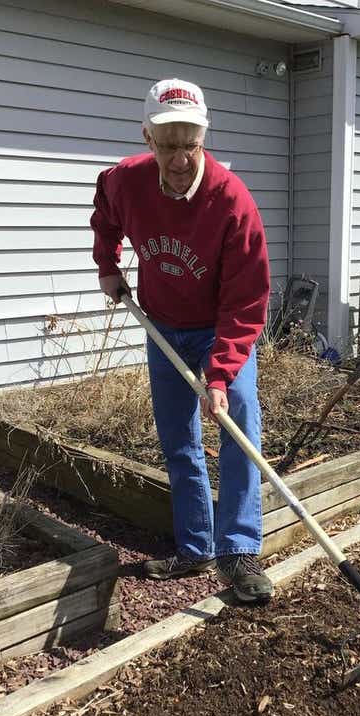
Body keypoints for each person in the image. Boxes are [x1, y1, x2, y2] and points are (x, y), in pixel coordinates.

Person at [90, 78, 273, 604]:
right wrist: (109, 266)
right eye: (167, 144)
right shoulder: (126, 181)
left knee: (238, 431)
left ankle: (238, 551)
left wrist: (219, 374)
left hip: (220, 329)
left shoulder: (231, 203)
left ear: (203, 138)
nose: (179, 158)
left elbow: (246, 303)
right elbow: (105, 217)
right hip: (163, 324)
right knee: (178, 440)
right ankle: (195, 547)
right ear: (147, 138)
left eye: (189, 144)